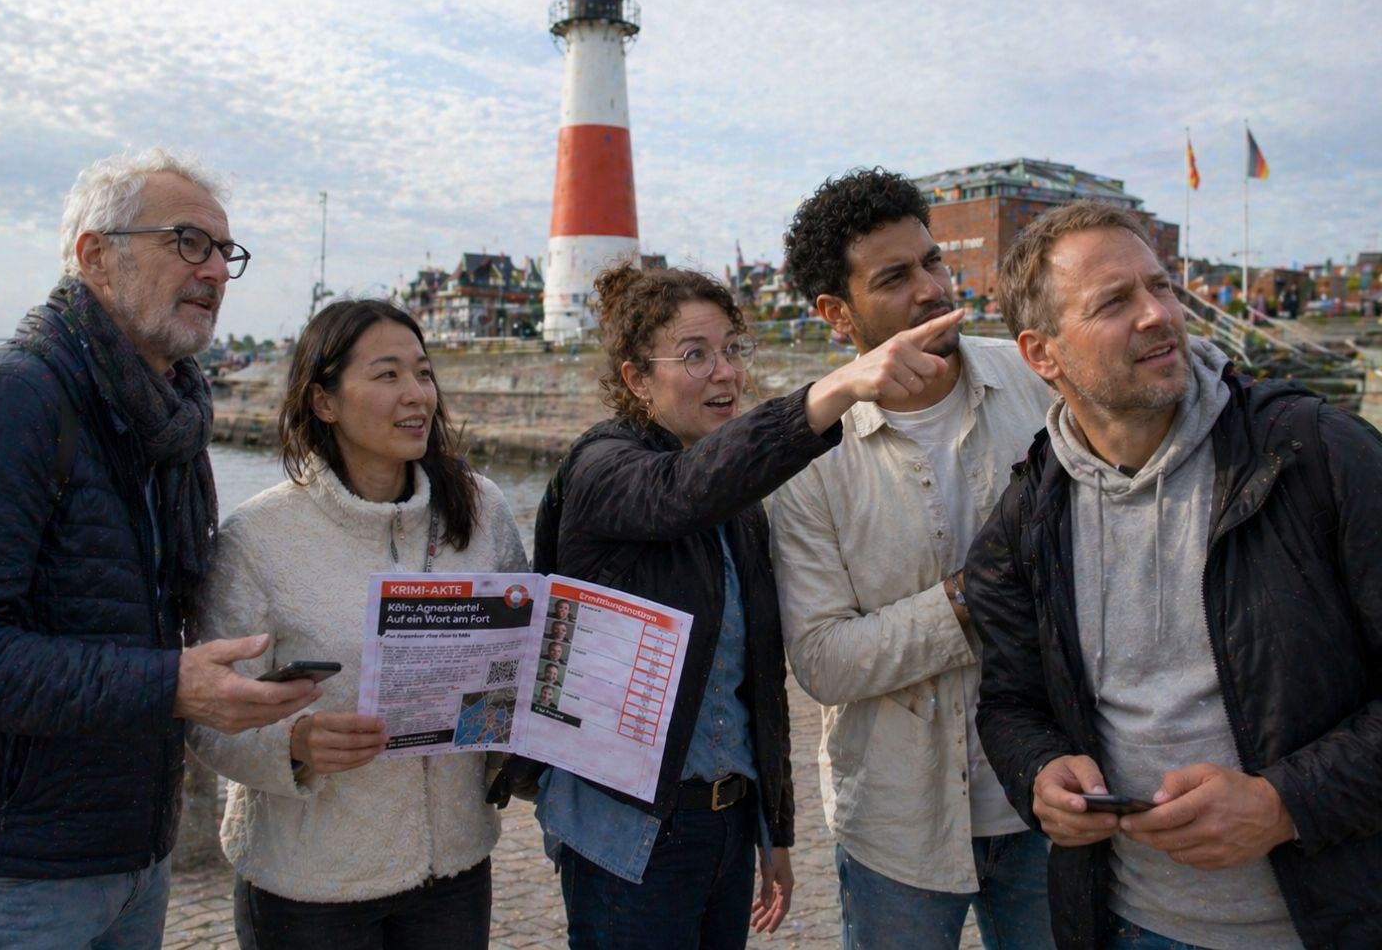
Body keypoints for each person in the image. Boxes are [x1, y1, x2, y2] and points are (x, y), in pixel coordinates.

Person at [967, 199, 1382, 948]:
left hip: (1328, 923)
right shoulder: (1024, 519)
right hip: (1126, 925)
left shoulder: (1319, 454)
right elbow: (1009, 703)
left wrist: (1286, 803)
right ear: (1041, 354)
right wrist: (1040, 774)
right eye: (1114, 302)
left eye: (1160, 286)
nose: (1159, 314)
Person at [0, 148, 319, 948]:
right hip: (11, 873)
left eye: (225, 251)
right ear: (95, 257)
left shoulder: (168, 418)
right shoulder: (10, 398)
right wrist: (172, 684)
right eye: (188, 242)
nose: (214, 271)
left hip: (134, 856)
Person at [532, 261, 963, 949]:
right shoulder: (600, 468)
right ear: (636, 380)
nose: (726, 372)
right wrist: (837, 389)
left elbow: (756, 681)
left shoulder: (741, 510)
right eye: (695, 356)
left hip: (726, 823)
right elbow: (678, 493)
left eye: (733, 349)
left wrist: (772, 830)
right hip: (627, 830)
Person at [770, 168, 1055, 949]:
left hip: (1049, 797)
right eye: (894, 278)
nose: (932, 288)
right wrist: (971, 598)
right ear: (836, 313)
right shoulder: (808, 461)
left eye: (932, 262)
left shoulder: (1037, 381)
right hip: (898, 823)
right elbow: (822, 662)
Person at [188, 299, 527, 949]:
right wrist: (293, 744)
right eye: (387, 374)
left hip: (455, 872)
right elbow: (208, 718)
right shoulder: (258, 538)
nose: (417, 394)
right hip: (310, 887)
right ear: (323, 401)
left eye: (423, 372)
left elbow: (520, 660)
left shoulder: (482, 510)